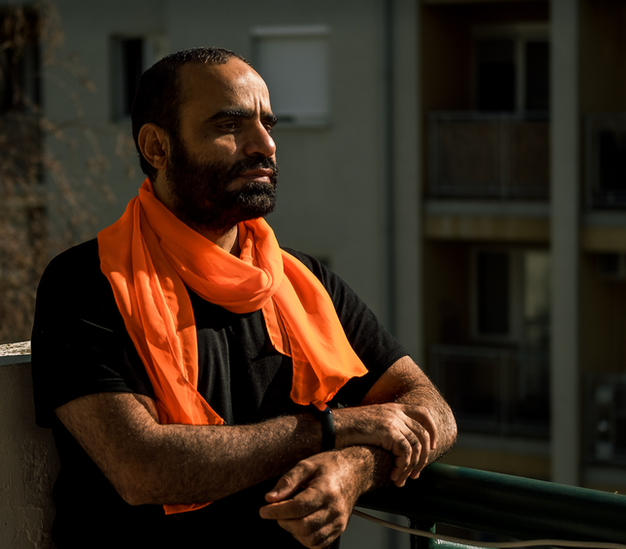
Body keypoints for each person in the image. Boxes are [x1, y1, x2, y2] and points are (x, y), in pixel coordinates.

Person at [30, 46, 456, 549]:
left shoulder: (302, 279)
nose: (265, 145)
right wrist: (332, 428)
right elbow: (141, 467)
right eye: (230, 125)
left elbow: (432, 412)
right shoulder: (87, 281)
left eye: (268, 125)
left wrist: (353, 468)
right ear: (157, 148)